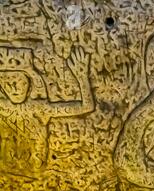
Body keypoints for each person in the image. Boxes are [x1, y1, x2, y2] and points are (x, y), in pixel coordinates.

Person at [0, 46, 94, 175]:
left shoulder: (39, 109)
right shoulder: (4, 106)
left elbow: (86, 107)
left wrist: (82, 77)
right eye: (6, 83)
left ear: (29, 82)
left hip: (35, 169)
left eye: (18, 80)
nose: (13, 88)